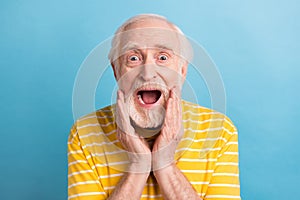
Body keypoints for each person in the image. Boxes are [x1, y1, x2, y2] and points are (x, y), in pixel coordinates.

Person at [68, 14, 240, 200]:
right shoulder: (85, 132)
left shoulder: (220, 131)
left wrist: (164, 163)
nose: (148, 74)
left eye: (163, 57)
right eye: (133, 58)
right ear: (116, 71)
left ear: (182, 71)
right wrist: (138, 165)